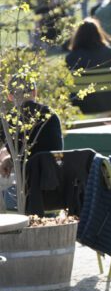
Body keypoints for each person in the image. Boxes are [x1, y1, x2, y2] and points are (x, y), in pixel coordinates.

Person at [0, 76, 63, 211]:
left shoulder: (7, 121)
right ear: (35, 92)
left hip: (25, 193)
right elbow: (54, 152)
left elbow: (22, 151)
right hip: (56, 187)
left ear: (10, 96)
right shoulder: (50, 115)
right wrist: (9, 157)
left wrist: (7, 157)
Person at [65, 18, 111, 114]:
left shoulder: (71, 58)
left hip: (79, 106)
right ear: (98, 34)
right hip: (110, 104)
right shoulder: (107, 54)